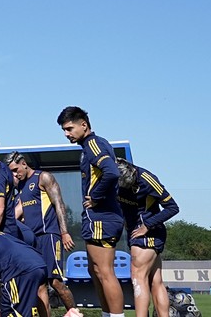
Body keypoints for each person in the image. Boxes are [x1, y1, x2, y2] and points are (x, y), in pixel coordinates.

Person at [58, 106, 126, 317]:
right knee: (95, 271)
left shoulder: (93, 144)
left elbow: (112, 172)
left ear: (84, 125)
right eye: (64, 130)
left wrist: (96, 196)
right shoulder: (87, 147)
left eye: (69, 128)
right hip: (96, 218)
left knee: (105, 272)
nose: (66, 134)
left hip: (103, 217)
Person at [7, 152, 78, 315]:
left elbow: (59, 204)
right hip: (32, 241)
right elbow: (19, 212)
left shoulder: (43, 177)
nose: (15, 174)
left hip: (49, 236)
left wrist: (64, 232)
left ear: (24, 163)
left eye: (16, 169)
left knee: (55, 282)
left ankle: (74, 313)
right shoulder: (21, 186)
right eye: (12, 172)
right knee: (39, 284)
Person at [116, 158, 179, 317]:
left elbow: (173, 207)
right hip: (134, 230)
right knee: (156, 281)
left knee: (138, 278)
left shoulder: (147, 179)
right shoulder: (110, 173)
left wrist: (147, 225)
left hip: (147, 233)